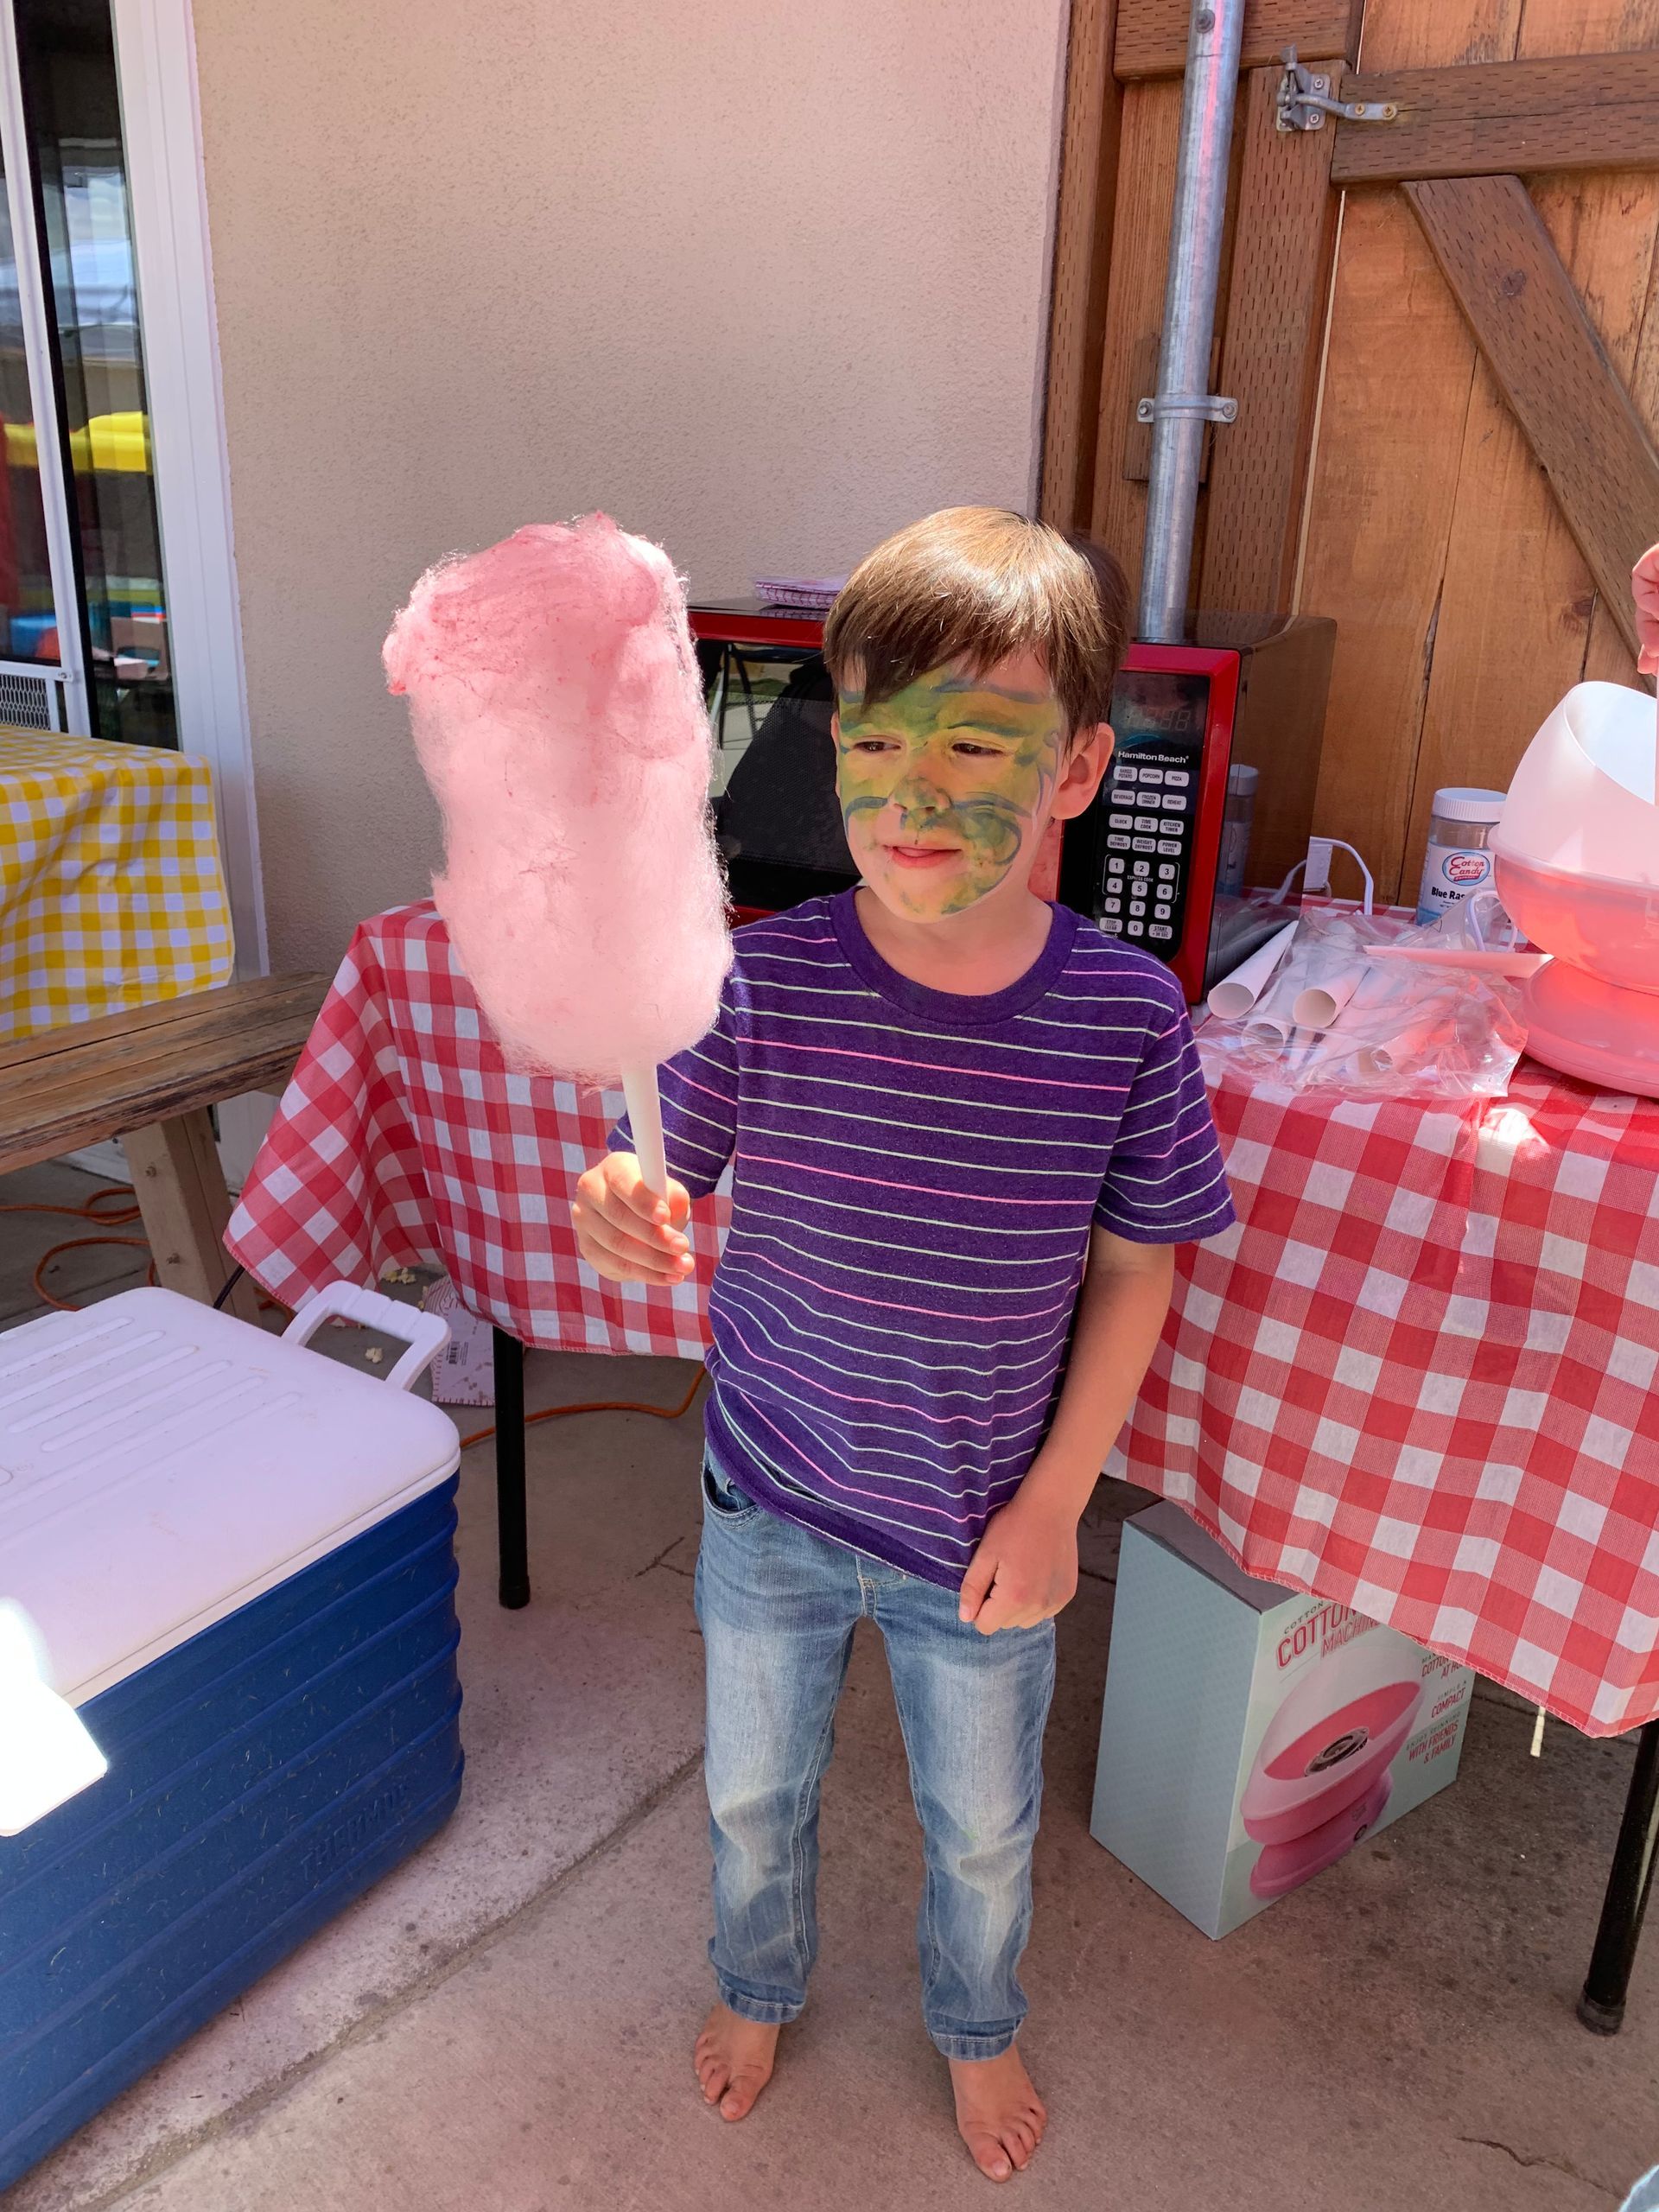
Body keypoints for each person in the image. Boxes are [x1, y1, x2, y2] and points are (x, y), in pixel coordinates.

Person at [573, 507, 1236, 2183]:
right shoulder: (764, 980)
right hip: (769, 1504)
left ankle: (976, 2016)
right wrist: (621, 1193)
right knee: (750, 1791)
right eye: (875, 746)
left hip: (981, 1535)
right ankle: (756, 1976)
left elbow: (1139, 1268)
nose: (915, 796)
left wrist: (1057, 1502)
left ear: (1080, 769)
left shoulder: (1124, 1017)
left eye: (977, 744)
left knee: (986, 1828)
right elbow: (668, 1162)